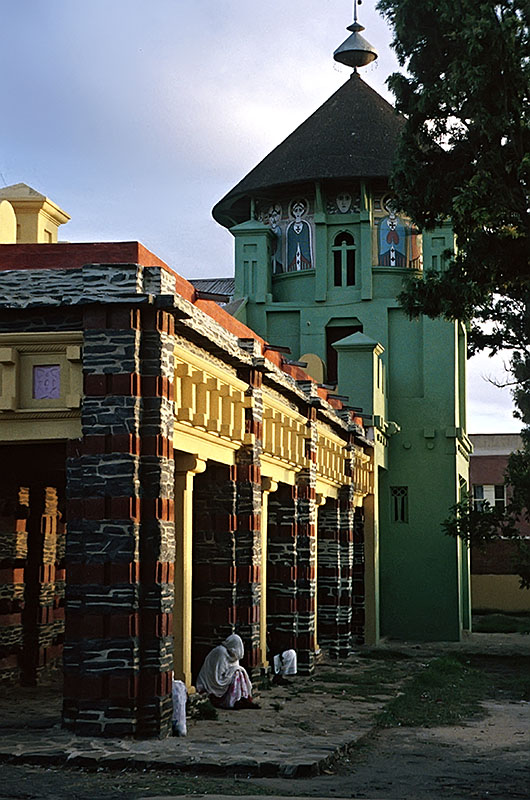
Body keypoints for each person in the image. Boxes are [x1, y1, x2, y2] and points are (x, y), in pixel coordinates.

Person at [196, 633, 260, 709]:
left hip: (225, 678)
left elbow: (235, 667)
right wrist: (232, 673)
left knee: (239, 672)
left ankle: (241, 698)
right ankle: (233, 701)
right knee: (236, 674)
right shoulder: (221, 652)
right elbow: (217, 675)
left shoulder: (233, 656)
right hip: (212, 681)